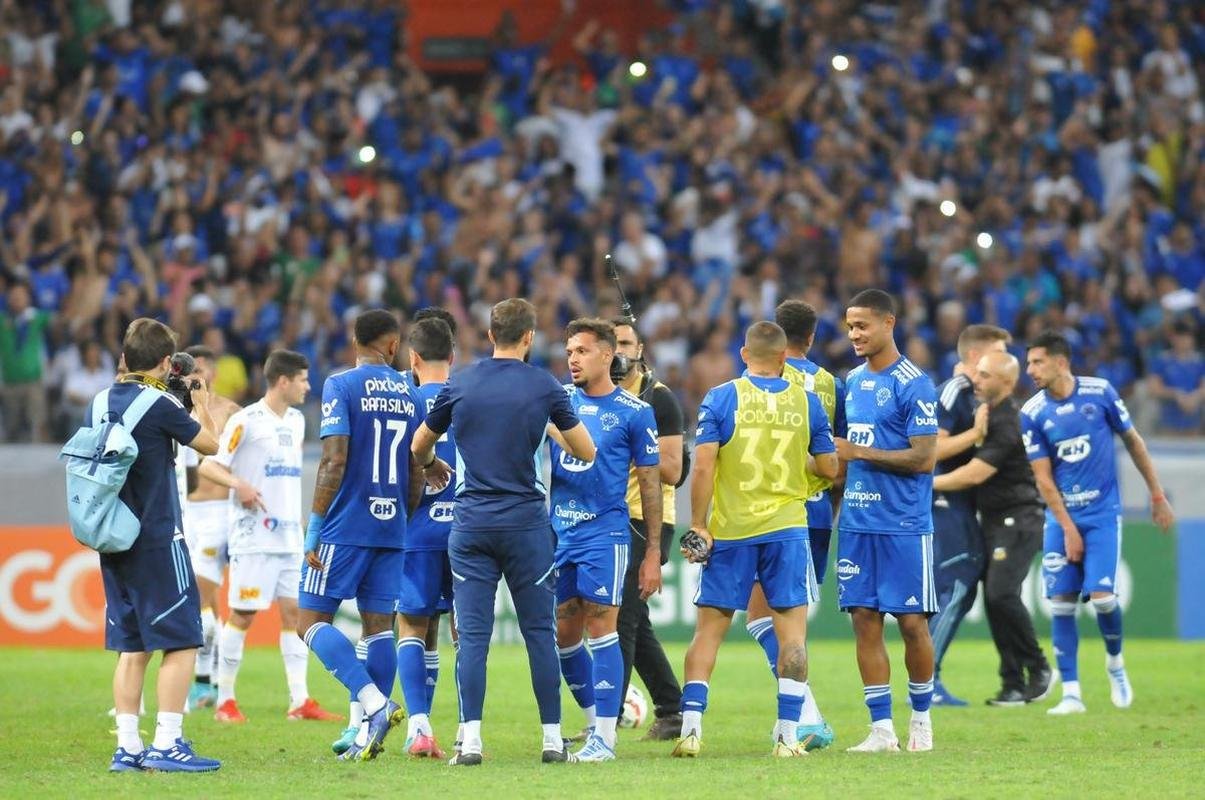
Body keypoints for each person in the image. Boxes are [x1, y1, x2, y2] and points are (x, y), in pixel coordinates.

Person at [411, 298, 596, 767]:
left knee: (472, 637)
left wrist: (434, 466)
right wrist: (549, 427)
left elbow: (419, 446)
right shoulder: (544, 386)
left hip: (470, 523)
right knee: (539, 632)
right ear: (529, 337)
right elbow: (587, 451)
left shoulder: (461, 382)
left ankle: (470, 740)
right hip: (527, 527)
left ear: (490, 335)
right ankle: (553, 741)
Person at [673, 321, 838, 759]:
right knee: (793, 637)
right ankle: (787, 736)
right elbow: (829, 468)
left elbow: (704, 465)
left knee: (708, 632)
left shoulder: (722, 397)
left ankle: (690, 730)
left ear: (744, 355)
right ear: (785, 359)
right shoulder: (806, 403)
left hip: (732, 531)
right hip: (787, 529)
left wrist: (700, 524)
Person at [297, 309, 433, 761]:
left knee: (310, 623)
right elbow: (416, 469)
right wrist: (401, 518)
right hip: (391, 527)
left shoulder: (341, 385)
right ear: (393, 346)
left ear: (354, 340)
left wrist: (315, 525)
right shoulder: (411, 394)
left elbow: (334, 460)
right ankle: (363, 735)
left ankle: (374, 706)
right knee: (379, 629)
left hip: (344, 525)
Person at [1020, 332, 1175, 715]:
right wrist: (1068, 528)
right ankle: (1071, 693)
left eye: (1037, 362)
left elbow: (1135, 442)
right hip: (1062, 518)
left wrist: (1156, 495)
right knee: (1060, 603)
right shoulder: (1032, 412)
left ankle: (1115, 663)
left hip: (1103, 515)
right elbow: (1043, 478)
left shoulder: (1100, 393)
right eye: (1028, 364)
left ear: (1060, 362)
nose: (1030, 370)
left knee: (1104, 600)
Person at [97, 317, 221, 772]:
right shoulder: (161, 404)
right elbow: (209, 444)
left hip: (113, 538)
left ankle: (127, 747)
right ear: (167, 362)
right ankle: (168, 741)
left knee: (133, 646)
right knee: (183, 639)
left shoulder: (99, 402)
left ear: (124, 358)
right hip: (157, 537)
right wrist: (199, 401)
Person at [194, 350, 340, 723]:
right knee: (242, 615)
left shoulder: (295, 422)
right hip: (253, 537)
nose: (309, 386)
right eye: (304, 380)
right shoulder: (246, 421)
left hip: (289, 538)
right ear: (283, 381)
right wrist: (238, 484)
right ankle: (225, 700)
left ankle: (299, 700)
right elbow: (210, 465)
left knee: (295, 615)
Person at [550, 318, 662, 762]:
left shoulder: (634, 411)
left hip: (606, 532)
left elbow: (652, 484)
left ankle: (605, 738)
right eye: (569, 350)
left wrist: (652, 551)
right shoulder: (556, 402)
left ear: (605, 355)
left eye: (581, 350)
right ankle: (600, 713)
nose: (572, 359)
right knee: (562, 631)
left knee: (602, 622)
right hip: (557, 532)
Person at [835, 289, 939, 753]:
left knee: (912, 623)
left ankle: (921, 719)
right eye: (850, 326)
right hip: (857, 523)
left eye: (862, 326)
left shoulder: (914, 382)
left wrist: (859, 452)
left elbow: (923, 458)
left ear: (888, 323)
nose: (854, 334)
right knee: (864, 619)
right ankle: (881, 730)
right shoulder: (851, 381)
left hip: (903, 523)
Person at [742, 299, 845, 750]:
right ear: (813, 336)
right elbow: (835, 457)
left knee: (765, 618)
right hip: (817, 510)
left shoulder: (766, 379)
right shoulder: (830, 384)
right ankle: (805, 715)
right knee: (786, 619)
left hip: (772, 510)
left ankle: (805, 716)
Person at [933, 351, 1053, 705]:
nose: (978, 381)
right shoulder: (984, 413)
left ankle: (1040, 666)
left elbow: (976, 474)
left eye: (985, 376)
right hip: (996, 520)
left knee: (1001, 593)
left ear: (1007, 382)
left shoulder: (1008, 421)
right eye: (977, 373)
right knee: (995, 599)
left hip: (1019, 518)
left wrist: (928, 486)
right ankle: (1013, 683)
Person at [927, 324, 1011, 706]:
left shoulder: (977, 394)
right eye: (998, 353)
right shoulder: (954, 391)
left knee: (961, 582)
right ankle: (926, 679)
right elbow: (933, 449)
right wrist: (974, 435)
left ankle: (927, 676)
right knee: (958, 582)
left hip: (960, 502)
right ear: (977, 357)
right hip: (943, 500)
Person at [612, 317, 685, 742]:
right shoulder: (596, 396)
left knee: (621, 617)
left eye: (626, 342)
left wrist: (629, 451)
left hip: (649, 518)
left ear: (640, 349)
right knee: (634, 620)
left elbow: (674, 470)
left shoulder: (659, 400)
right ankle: (672, 708)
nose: (619, 350)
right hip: (607, 518)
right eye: (613, 342)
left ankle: (604, 721)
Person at [395, 316, 457, 759]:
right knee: (466, 631)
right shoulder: (471, 399)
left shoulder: (406, 401)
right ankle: (467, 733)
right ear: (452, 358)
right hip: (469, 532)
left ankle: (419, 725)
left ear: (412, 359)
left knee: (413, 626)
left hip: (416, 533)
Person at [181, 345, 245, 711]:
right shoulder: (174, 410)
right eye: (191, 370)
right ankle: (209, 678)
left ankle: (207, 680)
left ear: (214, 374)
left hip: (220, 512)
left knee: (201, 596)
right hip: (187, 510)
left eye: (202, 370)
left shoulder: (231, 413)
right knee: (205, 599)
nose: (196, 377)